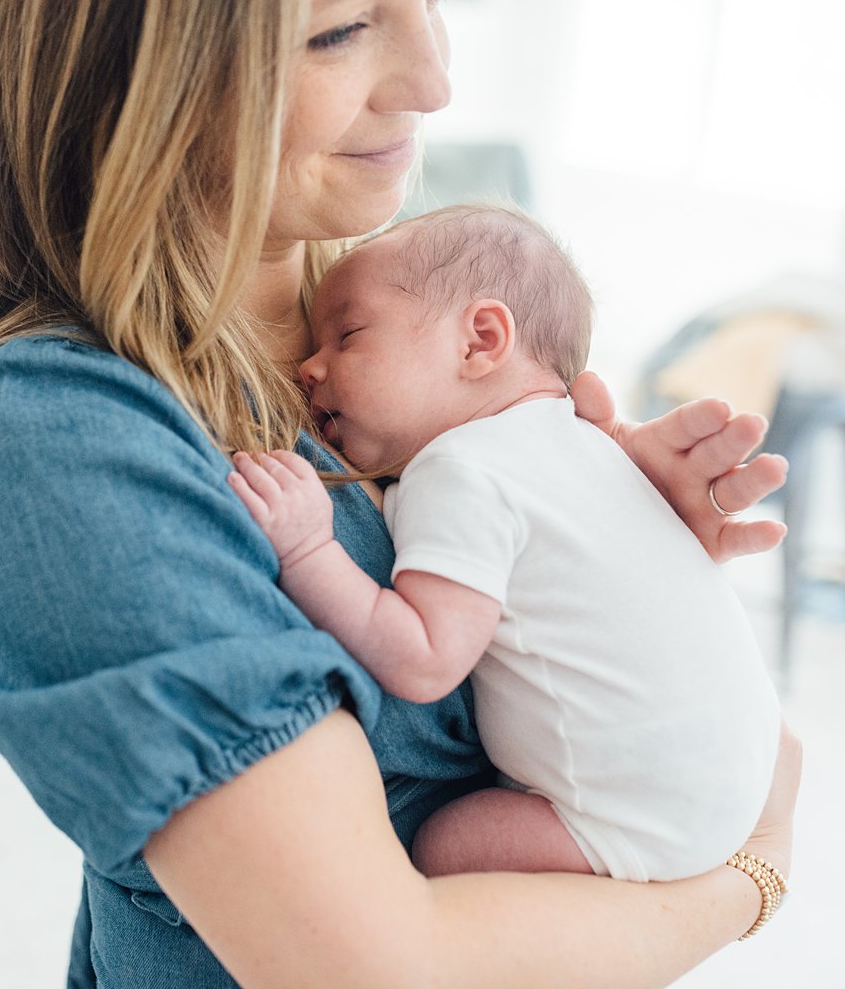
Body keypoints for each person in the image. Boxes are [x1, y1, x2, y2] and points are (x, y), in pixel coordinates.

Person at [0, 0, 802, 986]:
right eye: (337, 31)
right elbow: (377, 967)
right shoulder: (56, 432)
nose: (434, 82)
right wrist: (753, 867)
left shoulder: (403, 341)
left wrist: (618, 554)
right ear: (144, 78)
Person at [227, 202, 783, 884]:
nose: (309, 367)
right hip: (739, 772)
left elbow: (426, 659)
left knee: (445, 843)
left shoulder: (463, 467)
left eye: (347, 334)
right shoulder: (588, 444)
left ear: (480, 340)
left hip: (647, 817)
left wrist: (309, 548)